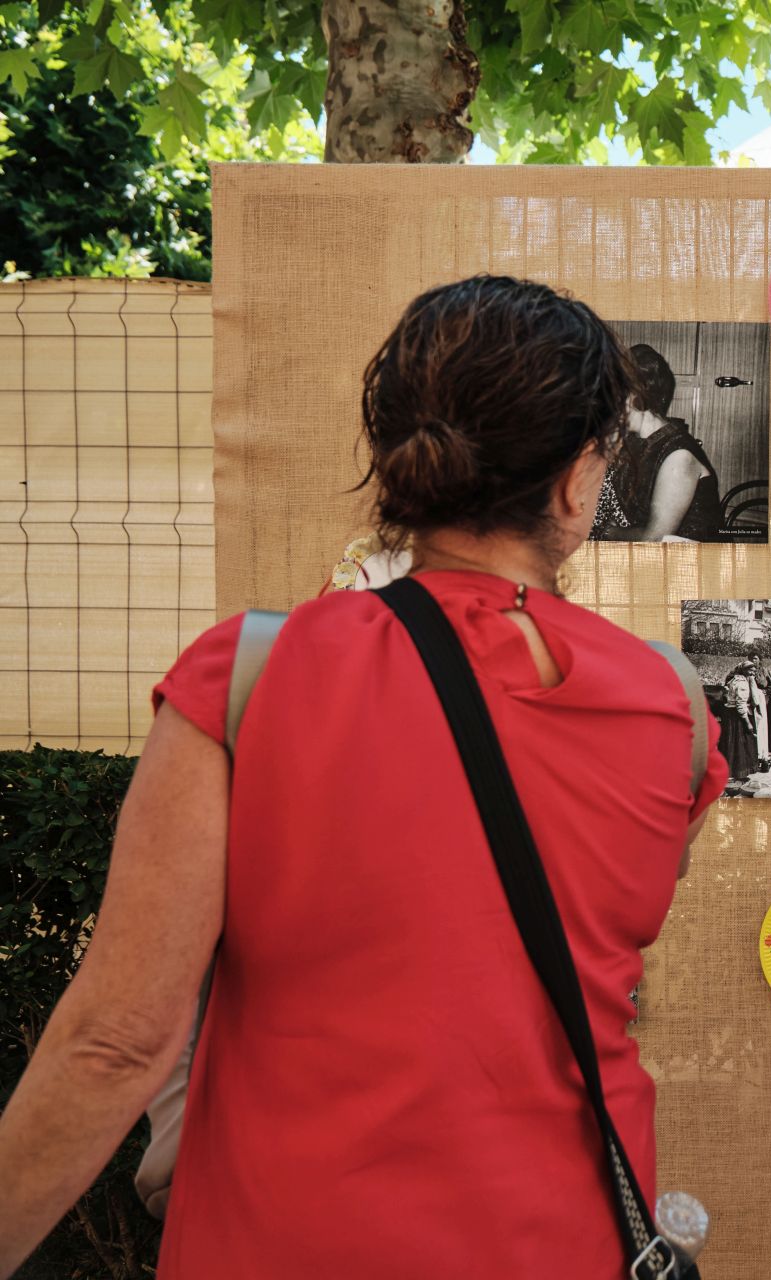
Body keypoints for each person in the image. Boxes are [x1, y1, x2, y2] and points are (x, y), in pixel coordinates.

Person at [0, 275, 729, 1279]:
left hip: (286, 1241)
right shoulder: (674, 709)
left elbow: (119, 1041)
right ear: (573, 479)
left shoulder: (247, 675)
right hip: (565, 1240)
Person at [592, 342, 725, 541]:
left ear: (636, 397)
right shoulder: (633, 440)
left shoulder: (679, 457)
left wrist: (606, 532)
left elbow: (654, 538)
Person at [720, 662, 760, 778]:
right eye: (750, 671)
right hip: (737, 716)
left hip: (729, 714)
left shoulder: (733, 680)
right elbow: (740, 705)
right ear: (744, 670)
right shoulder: (742, 684)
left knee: (730, 743)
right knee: (741, 743)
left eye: (754, 670)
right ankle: (740, 771)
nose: (753, 673)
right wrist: (747, 723)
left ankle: (729, 769)